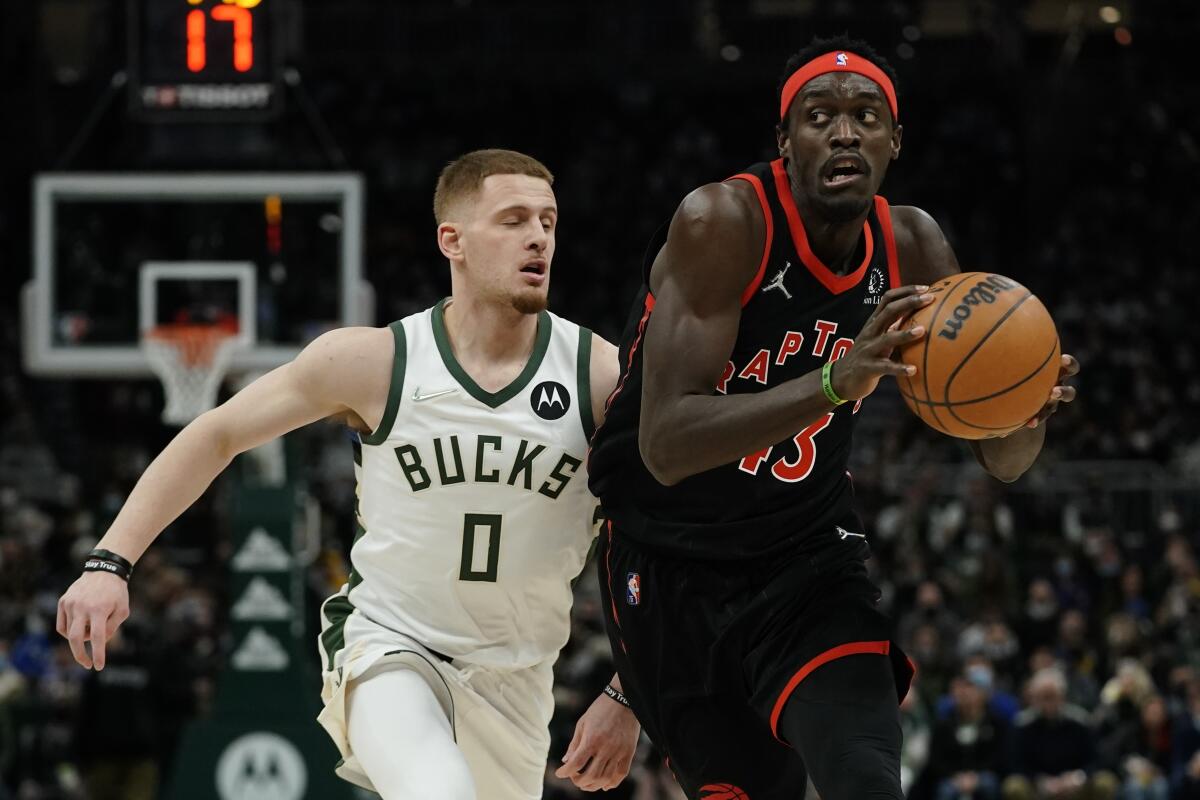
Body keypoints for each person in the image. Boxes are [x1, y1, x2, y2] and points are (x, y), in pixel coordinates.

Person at [55, 149, 641, 799]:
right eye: (512, 220)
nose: (537, 236)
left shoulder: (602, 379)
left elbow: (666, 540)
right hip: (392, 649)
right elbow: (217, 432)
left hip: (518, 677)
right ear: (454, 240)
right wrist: (109, 562)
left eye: (548, 221)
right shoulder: (376, 362)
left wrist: (629, 691)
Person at [587, 36, 1080, 800]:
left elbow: (1004, 460)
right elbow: (665, 446)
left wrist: (1022, 406)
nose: (845, 131)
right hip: (668, 562)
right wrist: (833, 382)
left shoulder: (912, 245)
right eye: (820, 116)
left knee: (866, 775)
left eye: (865, 116)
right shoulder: (723, 223)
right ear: (785, 142)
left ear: (894, 140)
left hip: (806, 554)